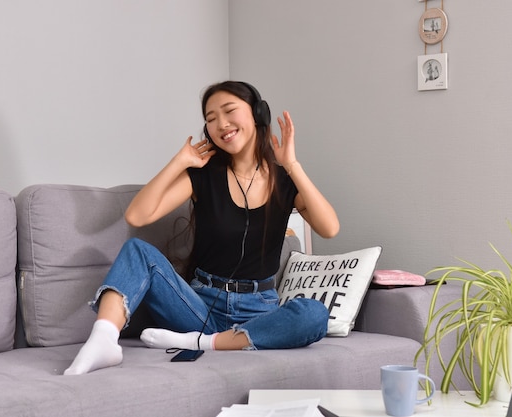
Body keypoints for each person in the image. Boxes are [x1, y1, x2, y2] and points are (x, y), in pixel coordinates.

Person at [64, 81, 339, 375]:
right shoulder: (204, 176)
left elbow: (329, 228)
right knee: (138, 251)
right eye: (210, 119)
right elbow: (137, 215)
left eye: (229, 111)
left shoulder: (285, 182)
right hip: (198, 306)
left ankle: (205, 343)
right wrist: (179, 161)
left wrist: (292, 164)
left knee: (315, 315)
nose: (221, 124)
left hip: (259, 313)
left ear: (258, 113)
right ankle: (103, 339)